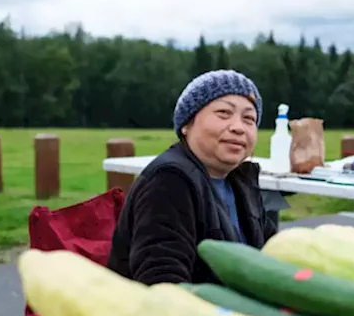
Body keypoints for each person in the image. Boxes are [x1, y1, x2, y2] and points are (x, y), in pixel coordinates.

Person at [107, 69, 278, 285]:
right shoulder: (168, 181)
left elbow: (275, 257)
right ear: (187, 124)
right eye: (224, 113)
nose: (238, 128)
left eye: (249, 119)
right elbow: (163, 283)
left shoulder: (242, 181)